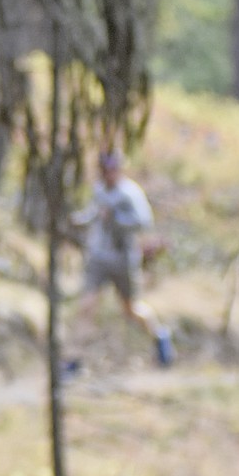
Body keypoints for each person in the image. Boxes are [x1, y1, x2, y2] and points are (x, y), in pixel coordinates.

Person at [67, 149, 175, 370]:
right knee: (86, 306)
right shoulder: (99, 190)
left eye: (112, 169)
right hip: (98, 257)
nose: (108, 174)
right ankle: (74, 360)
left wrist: (116, 219)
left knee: (131, 308)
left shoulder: (130, 193)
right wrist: (78, 221)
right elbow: (94, 214)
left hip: (123, 259)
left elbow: (143, 222)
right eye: (105, 170)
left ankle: (160, 336)